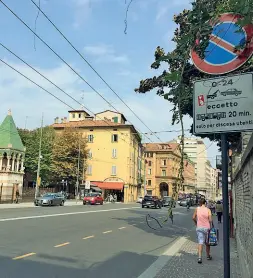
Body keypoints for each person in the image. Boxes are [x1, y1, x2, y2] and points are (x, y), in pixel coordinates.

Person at [192, 198, 213, 264]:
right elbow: (210, 220)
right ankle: (208, 256)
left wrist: (196, 223)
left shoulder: (197, 209)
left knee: (200, 242)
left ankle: (200, 257)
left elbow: (193, 217)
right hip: (207, 228)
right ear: (205, 203)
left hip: (199, 227)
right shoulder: (208, 210)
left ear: (199, 203)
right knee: (207, 243)